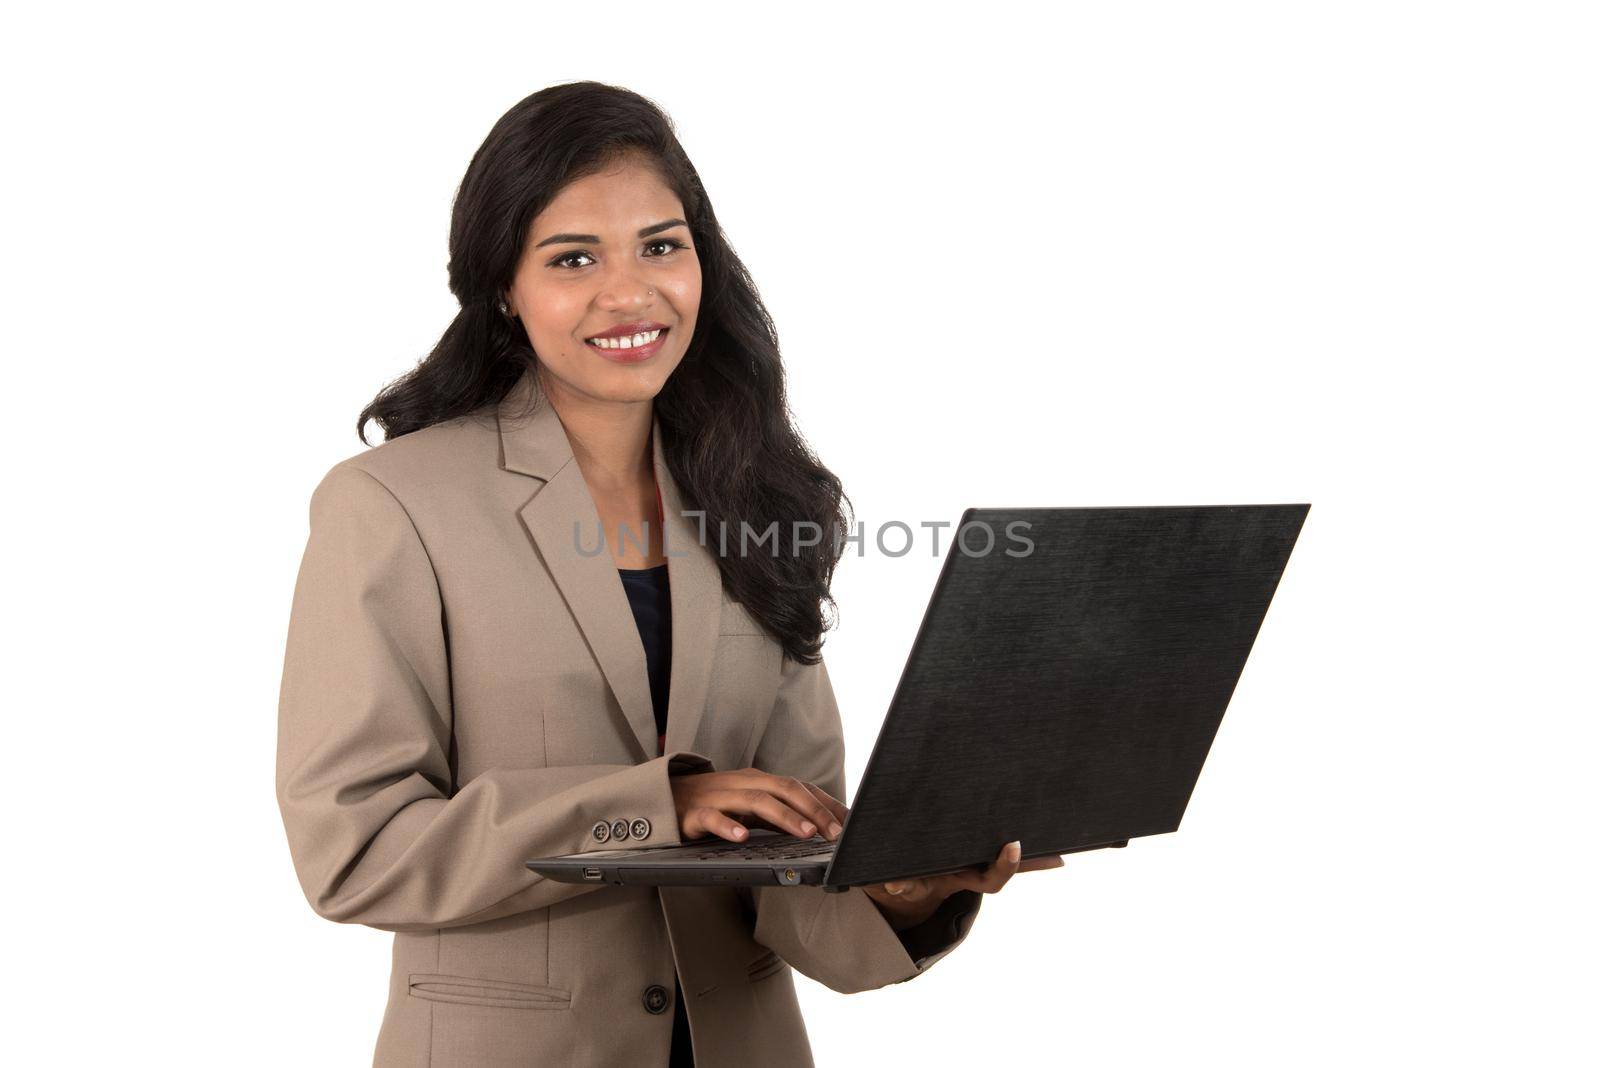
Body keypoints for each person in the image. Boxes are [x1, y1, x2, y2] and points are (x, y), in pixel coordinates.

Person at [275, 80, 1063, 1068]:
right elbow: (354, 852)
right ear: (502, 290)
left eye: (661, 245)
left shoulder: (758, 499)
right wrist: (659, 806)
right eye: (572, 259)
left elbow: (787, 858)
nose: (631, 293)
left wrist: (903, 891)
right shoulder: (392, 505)